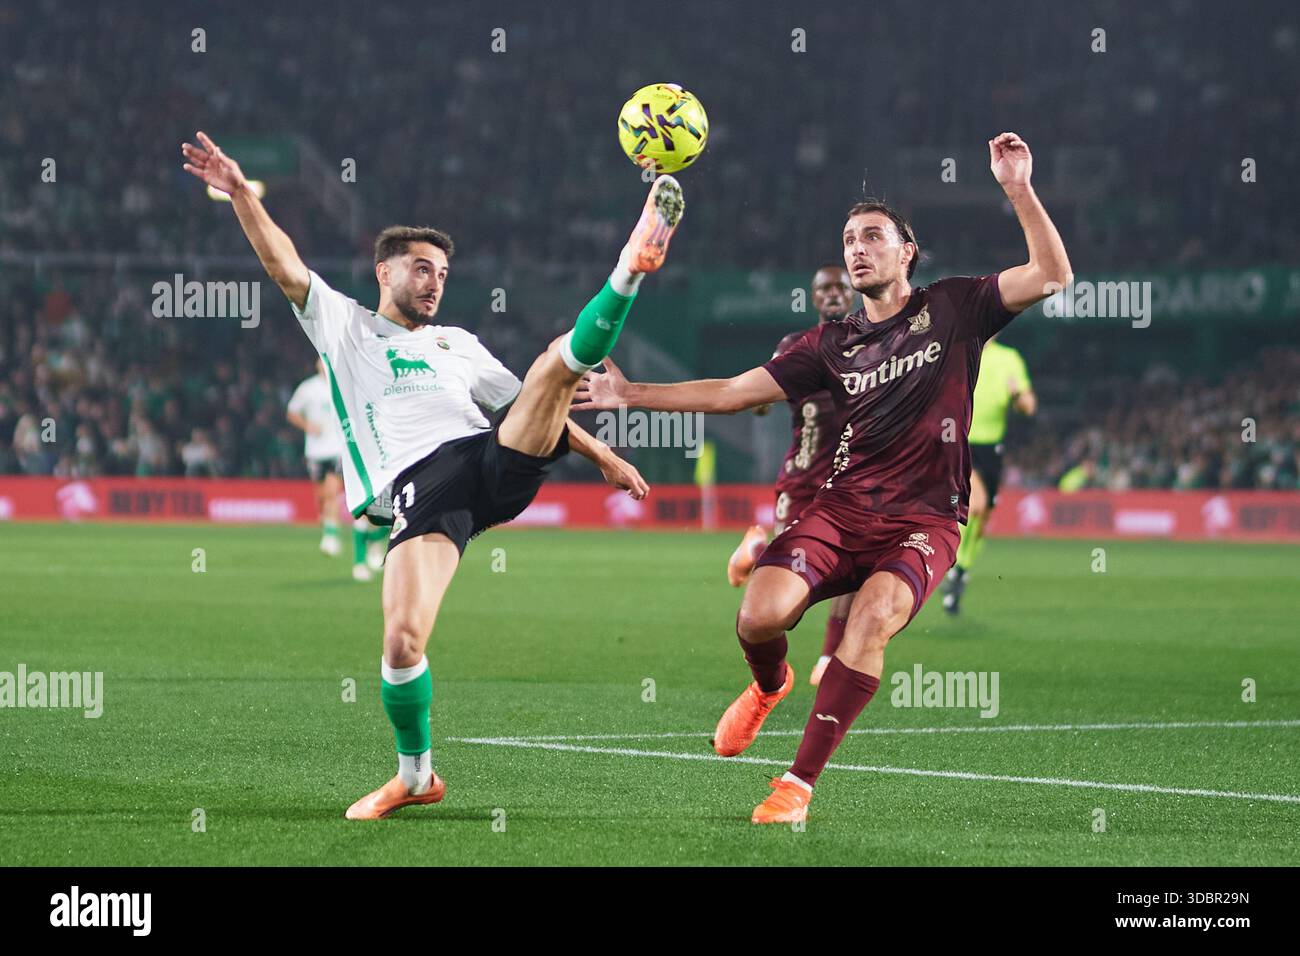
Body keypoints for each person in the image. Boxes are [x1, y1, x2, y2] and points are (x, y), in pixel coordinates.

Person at [575, 133, 1071, 823]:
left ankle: (796, 786)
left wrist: (1017, 187)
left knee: (871, 621)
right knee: (758, 617)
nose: (857, 249)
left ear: (907, 251)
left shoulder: (957, 307)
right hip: (839, 513)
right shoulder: (829, 344)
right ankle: (769, 685)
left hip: (924, 521)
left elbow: (1051, 275)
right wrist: (630, 395)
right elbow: (735, 393)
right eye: (848, 240)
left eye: (872, 236)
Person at [182, 130, 676, 819]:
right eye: (420, 268)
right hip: (425, 492)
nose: (435, 281)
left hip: (490, 457)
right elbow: (284, 265)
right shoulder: (345, 327)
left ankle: (630, 266)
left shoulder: (459, 344)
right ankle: (416, 776)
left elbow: (531, 406)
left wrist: (605, 456)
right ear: (383, 273)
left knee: (554, 366)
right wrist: (240, 192)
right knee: (401, 642)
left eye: (442, 272)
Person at [726, 265, 855, 685]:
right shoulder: (796, 345)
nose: (833, 294)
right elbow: (761, 396)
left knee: (855, 568)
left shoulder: (873, 344)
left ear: (852, 294)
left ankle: (829, 657)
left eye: (841, 287)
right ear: (814, 298)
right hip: (804, 477)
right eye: (825, 288)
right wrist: (761, 400)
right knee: (790, 591)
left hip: (851, 480)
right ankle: (759, 550)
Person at [942, 336, 1036, 614]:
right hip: (959, 442)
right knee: (976, 504)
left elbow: (1029, 406)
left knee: (983, 516)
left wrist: (1018, 396)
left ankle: (961, 570)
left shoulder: (1009, 358)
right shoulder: (956, 351)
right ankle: (953, 565)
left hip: (992, 449)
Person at [287, 359, 389, 580]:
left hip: (344, 450)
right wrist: (308, 426)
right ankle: (359, 545)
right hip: (316, 450)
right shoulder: (308, 388)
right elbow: (292, 412)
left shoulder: (347, 383)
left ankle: (357, 547)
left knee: (351, 498)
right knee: (324, 498)